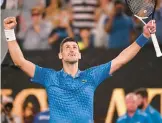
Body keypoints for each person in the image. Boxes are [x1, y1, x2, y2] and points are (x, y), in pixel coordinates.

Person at [3, 16, 156, 123]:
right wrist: (9, 32)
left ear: (79, 54)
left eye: (74, 47)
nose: (71, 49)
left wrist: (143, 36)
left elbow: (121, 59)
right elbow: (20, 61)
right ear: (60, 55)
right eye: (67, 47)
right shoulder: (49, 76)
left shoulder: (91, 76)